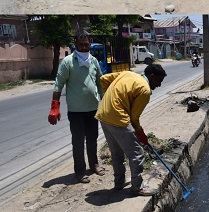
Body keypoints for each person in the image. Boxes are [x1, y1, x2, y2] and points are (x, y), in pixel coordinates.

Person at [96, 63, 167, 196]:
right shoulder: (145, 89)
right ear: (151, 76)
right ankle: (137, 187)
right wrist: (141, 134)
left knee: (116, 152)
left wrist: (110, 99)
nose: (159, 85)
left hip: (103, 115)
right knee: (137, 153)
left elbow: (103, 79)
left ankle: (119, 182)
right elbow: (134, 118)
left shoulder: (128, 74)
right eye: (159, 81)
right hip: (118, 119)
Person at [48, 34, 105, 183]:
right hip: (76, 111)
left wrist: (104, 100)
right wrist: (55, 107)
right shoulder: (67, 62)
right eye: (81, 45)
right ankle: (80, 171)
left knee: (92, 139)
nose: (84, 47)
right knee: (78, 142)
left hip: (93, 108)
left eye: (86, 44)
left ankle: (94, 165)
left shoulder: (93, 61)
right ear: (75, 44)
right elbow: (58, 85)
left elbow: (100, 82)